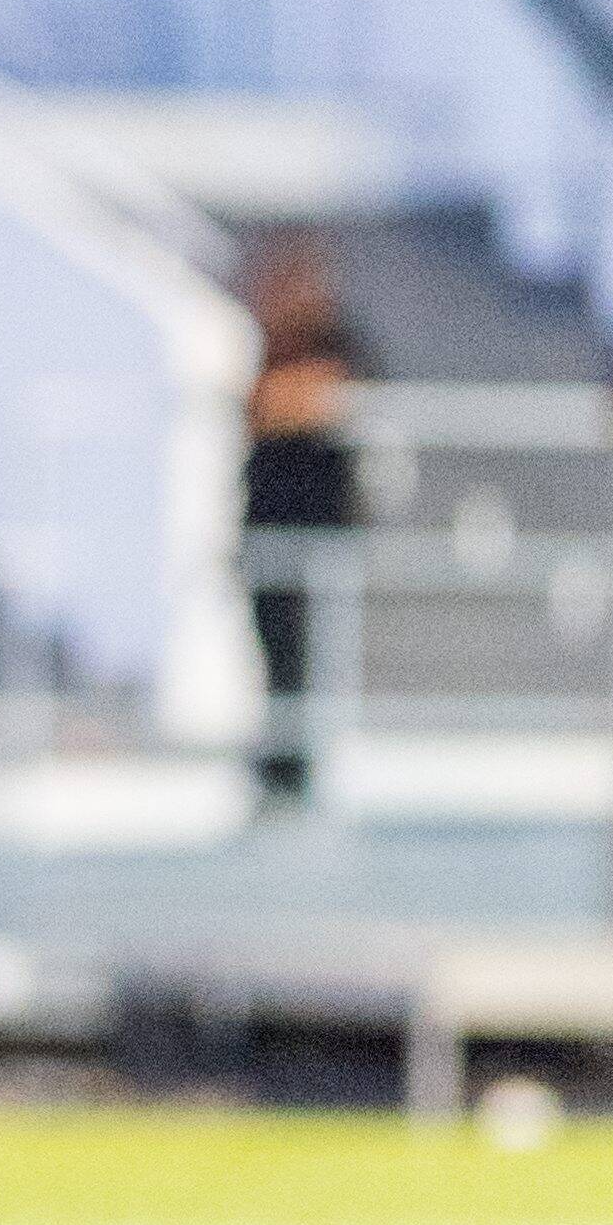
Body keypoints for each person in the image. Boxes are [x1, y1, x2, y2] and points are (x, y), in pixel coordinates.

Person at [241, 238, 367, 804]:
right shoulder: (267, 348)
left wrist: (289, 402)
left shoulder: (340, 344)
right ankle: (280, 763)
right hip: (266, 525)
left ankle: (301, 764)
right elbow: (261, 409)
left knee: (314, 651)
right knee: (274, 652)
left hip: (319, 525)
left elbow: (326, 400)